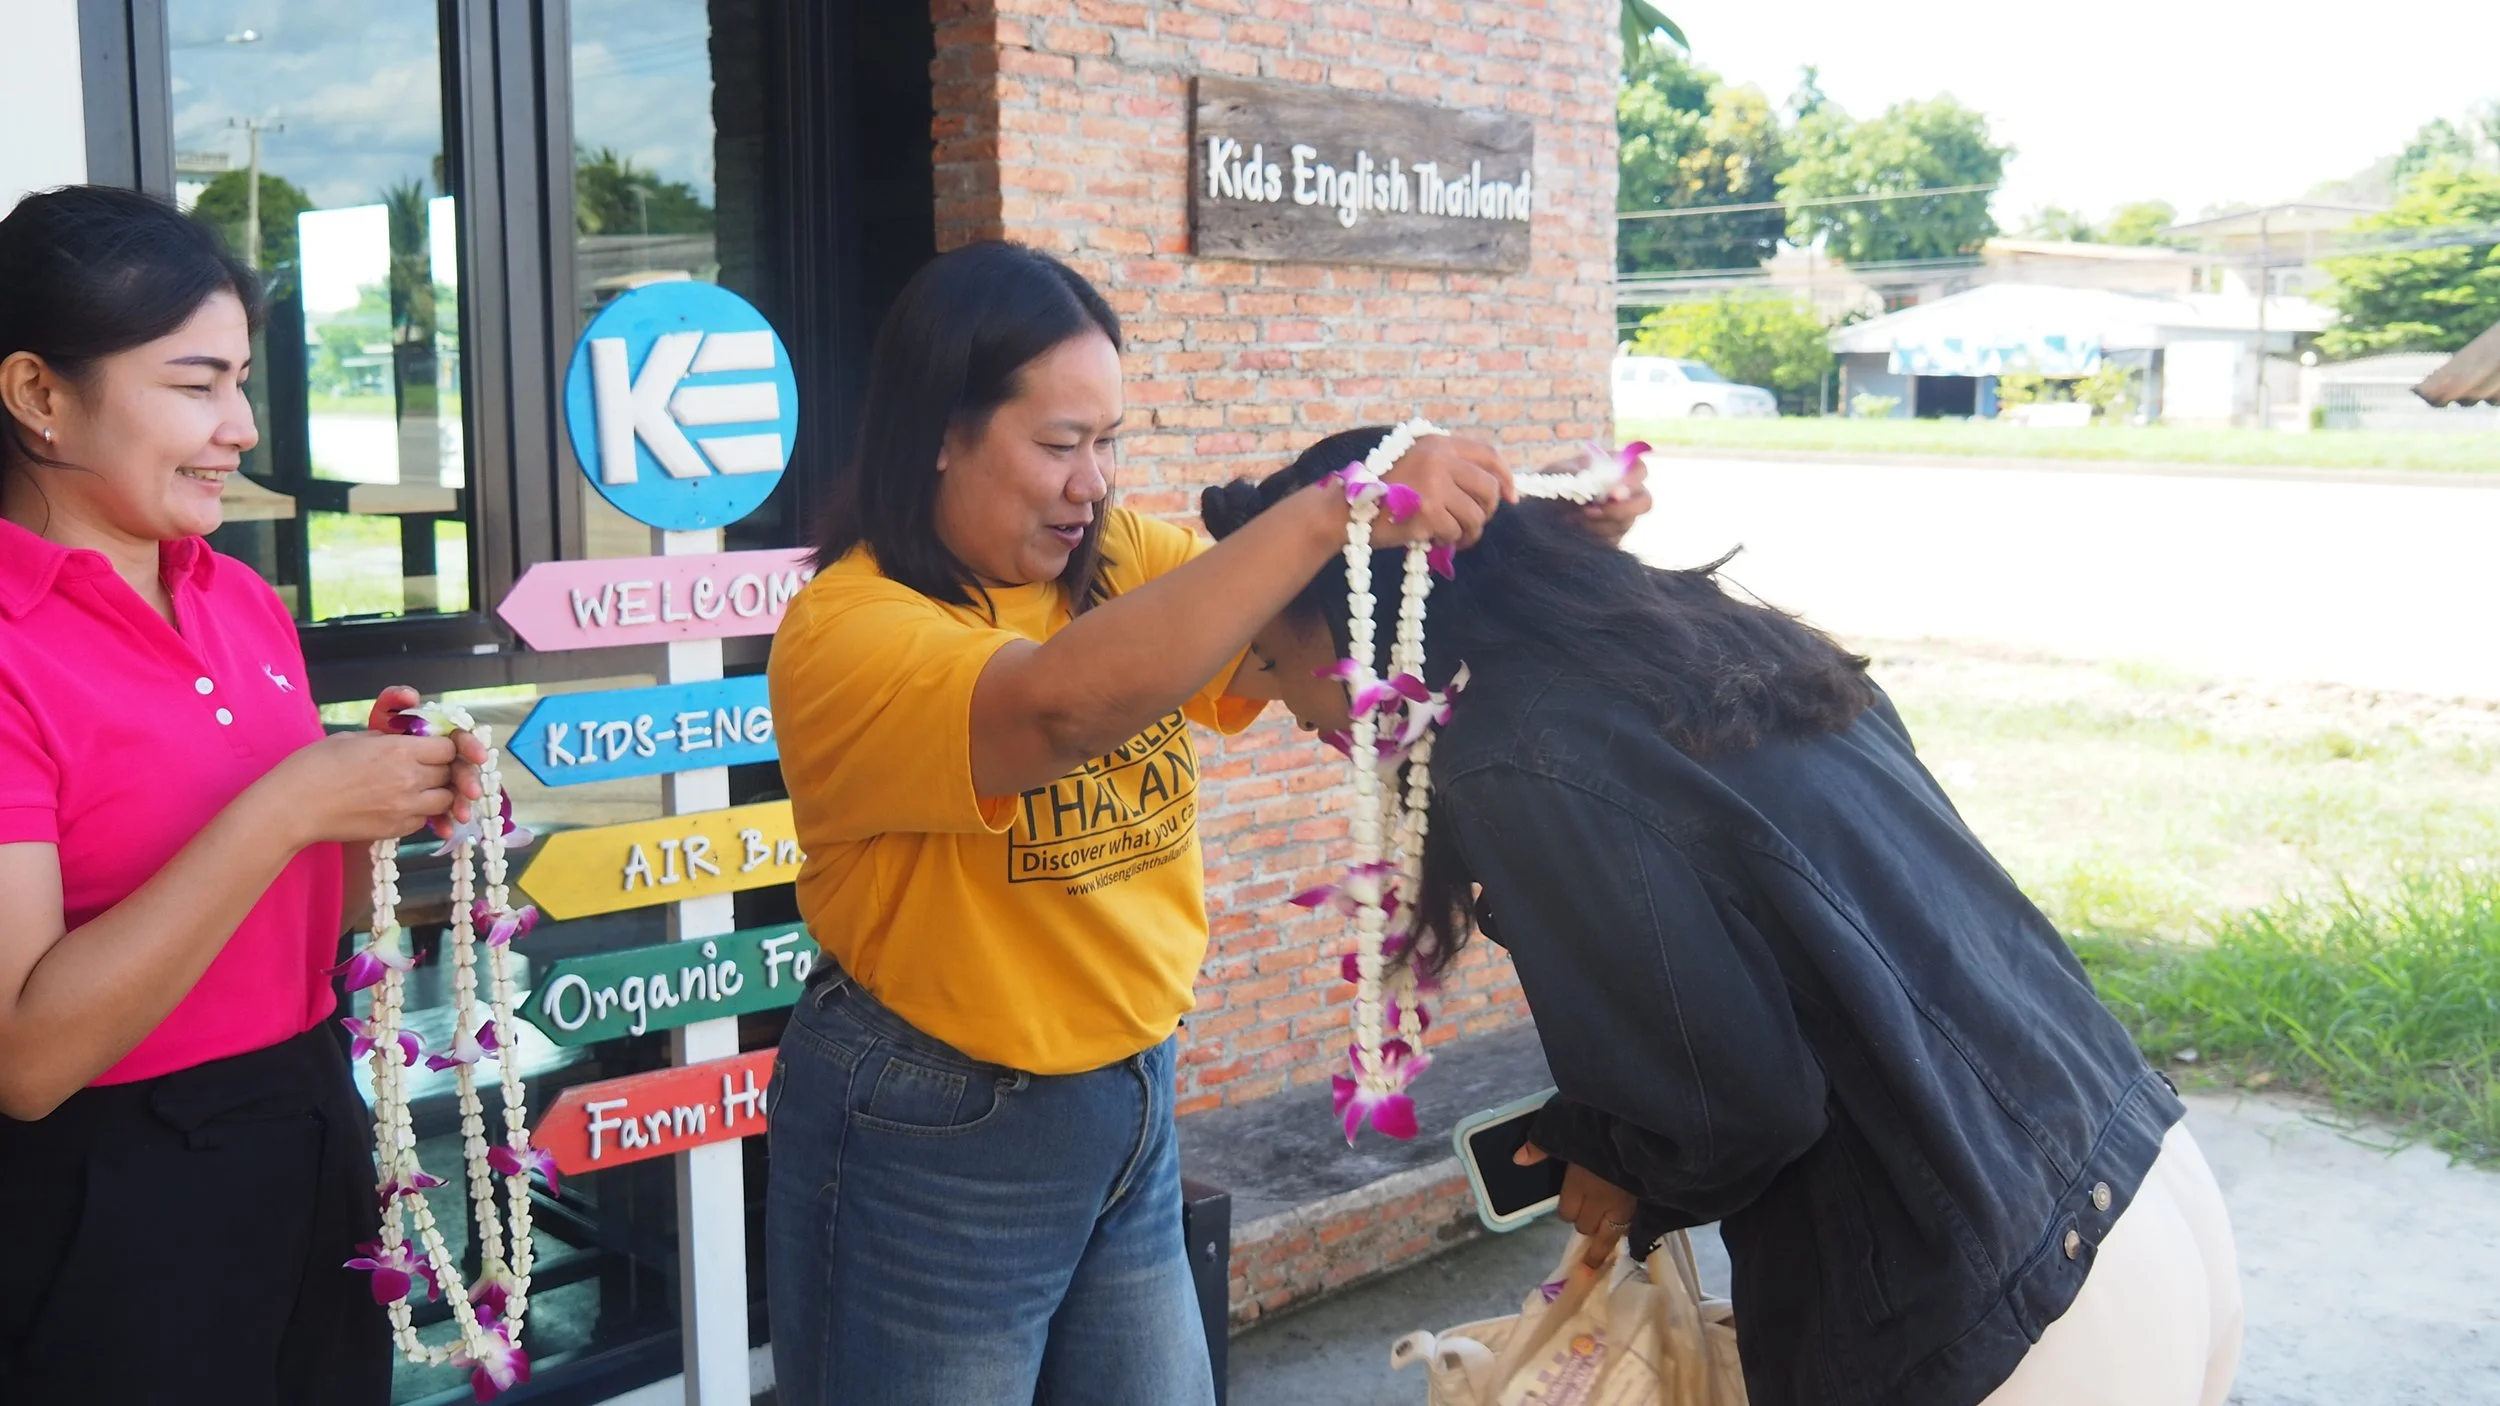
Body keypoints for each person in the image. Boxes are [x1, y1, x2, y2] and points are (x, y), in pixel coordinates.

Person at [1200, 426, 2244, 1406]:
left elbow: (1731, 1106)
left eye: (1277, 657)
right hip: (2133, 1177)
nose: (1280, 700)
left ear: (1357, 619)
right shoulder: (1704, 640)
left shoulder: (1514, 749)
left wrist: (1617, 1153)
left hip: (1993, 1291)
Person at [760, 241, 1520, 1404]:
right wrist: (1331, 513)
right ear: (938, 434)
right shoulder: (846, 632)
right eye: (1060, 445)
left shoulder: (1117, 562)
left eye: (1108, 441)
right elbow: (1059, 704)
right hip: (933, 1130)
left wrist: (1537, 579)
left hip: (1130, 1106)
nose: (1094, 482)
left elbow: (1290, 660)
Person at [0, 186, 484, 1403]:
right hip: (109, 1193)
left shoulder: (238, 600)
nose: (241, 426)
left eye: (242, 381)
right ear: (39, 395)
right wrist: (289, 803)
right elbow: (27, 1054)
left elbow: (281, 916)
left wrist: (380, 792)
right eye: (195, 383)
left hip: (309, 1122)